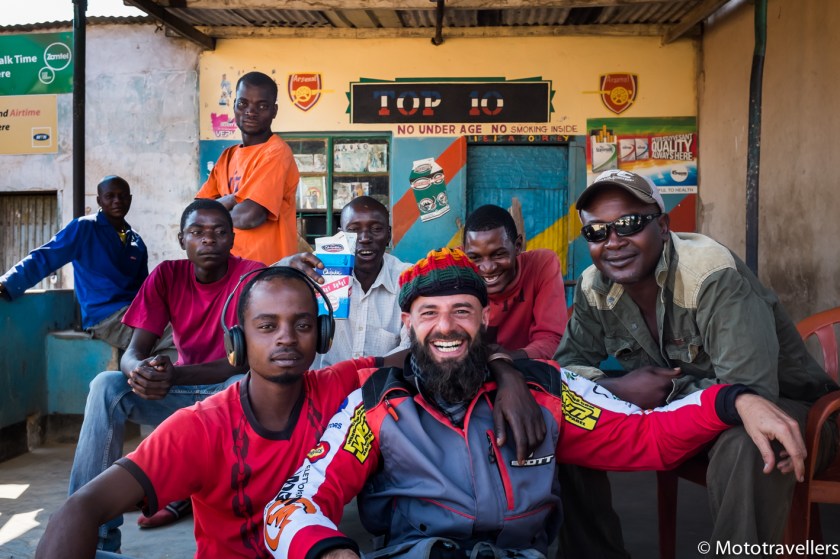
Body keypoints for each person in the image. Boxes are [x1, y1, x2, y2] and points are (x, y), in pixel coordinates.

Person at [262, 247, 806, 559]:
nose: (446, 326)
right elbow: (293, 506)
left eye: (462, 311)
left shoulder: (549, 393)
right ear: (408, 323)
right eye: (429, 313)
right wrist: (327, 551)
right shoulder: (376, 407)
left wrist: (734, 401)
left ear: (485, 320)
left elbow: (647, 438)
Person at [36, 266, 545, 559]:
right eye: (266, 325)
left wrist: (506, 373)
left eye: (302, 324)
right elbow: (80, 510)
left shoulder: (344, 386)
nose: (285, 337)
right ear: (237, 341)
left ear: (321, 336)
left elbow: (434, 350)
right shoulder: (199, 427)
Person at [554, 169, 839, 556]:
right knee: (564, 424)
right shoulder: (594, 286)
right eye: (597, 232)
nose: (614, 242)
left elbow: (751, 394)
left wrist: (666, 390)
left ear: (664, 225)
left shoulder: (711, 274)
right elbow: (567, 372)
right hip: (686, 420)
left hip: (797, 417)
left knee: (749, 443)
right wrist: (622, 388)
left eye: (629, 224)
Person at [66, 199, 264, 552]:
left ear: (232, 239)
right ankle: (95, 538)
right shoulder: (167, 275)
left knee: (242, 388)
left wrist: (174, 376)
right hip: (182, 393)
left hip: (225, 391)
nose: (208, 241)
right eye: (197, 233)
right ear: (180, 239)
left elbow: (242, 363)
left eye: (219, 233)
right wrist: (140, 372)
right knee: (105, 386)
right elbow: (133, 351)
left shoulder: (250, 276)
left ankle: (248, 538)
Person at [0, 176, 147, 350]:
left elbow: (145, 288)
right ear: (99, 200)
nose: (117, 201)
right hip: (105, 317)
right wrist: (7, 283)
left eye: (122, 196)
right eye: (110, 196)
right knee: (172, 334)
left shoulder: (136, 241)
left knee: (179, 327)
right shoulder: (84, 228)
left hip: (135, 313)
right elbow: (46, 256)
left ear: (130, 199)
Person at [279, 196, 410, 368]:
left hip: (382, 387)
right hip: (322, 387)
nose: (364, 238)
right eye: (353, 230)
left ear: (388, 235)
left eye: (376, 229)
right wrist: (284, 266)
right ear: (341, 235)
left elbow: (411, 349)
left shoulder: (408, 279)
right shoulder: (317, 270)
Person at [197, 71, 301, 265]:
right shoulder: (227, 156)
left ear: (274, 111)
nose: (250, 111)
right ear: (235, 104)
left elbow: (249, 216)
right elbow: (198, 214)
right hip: (228, 271)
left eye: (262, 105)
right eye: (243, 103)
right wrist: (233, 200)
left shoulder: (276, 152)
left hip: (266, 275)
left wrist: (221, 206)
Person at [463, 204, 567, 360]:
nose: (488, 268)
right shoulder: (456, 266)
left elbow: (552, 339)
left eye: (498, 255)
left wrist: (508, 358)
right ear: (463, 252)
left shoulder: (541, 264)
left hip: (527, 367)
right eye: (475, 258)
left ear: (517, 246)